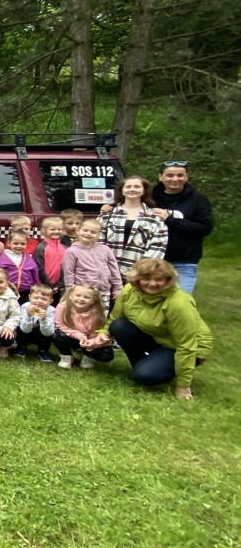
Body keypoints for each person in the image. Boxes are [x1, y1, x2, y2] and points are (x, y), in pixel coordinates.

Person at [94, 258, 212, 399]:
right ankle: (146, 366)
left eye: (159, 279)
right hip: (155, 336)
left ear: (168, 280)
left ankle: (151, 371)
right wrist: (104, 333)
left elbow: (186, 345)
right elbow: (115, 317)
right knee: (118, 326)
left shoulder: (179, 303)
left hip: (179, 346)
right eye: (146, 278)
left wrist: (183, 385)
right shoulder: (129, 290)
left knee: (145, 375)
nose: (152, 283)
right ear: (137, 278)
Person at [151, 160, 214, 294]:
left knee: (181, 300)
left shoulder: (198, 200)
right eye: (170, 175)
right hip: (154, 259)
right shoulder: (150, 199)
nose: (175, 179)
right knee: (152, 301)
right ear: (161, 177)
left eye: (180, 175)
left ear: (186, 177)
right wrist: (108, 208)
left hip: (184, 261)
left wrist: (169, 220)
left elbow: (204, 228)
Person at [99, 175, 169, 279]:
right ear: (122, 191)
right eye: (128, 187)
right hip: (107, 273)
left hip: (138, 274)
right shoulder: (107, 215)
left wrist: (143, 270)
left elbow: (158, 246)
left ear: (144, 191)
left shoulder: (154, 217)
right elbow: (98, 242)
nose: (132, 189)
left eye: (137, 187)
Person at [62, 219, 122, 309]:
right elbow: (68, 273)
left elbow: (114, 269)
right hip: (83, 294)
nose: (88, 233)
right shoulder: (71, 251)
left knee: (102, 316)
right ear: (78, 231)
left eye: (93, 232)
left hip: (103, 293)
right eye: (85, 230)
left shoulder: (105, 249)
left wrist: (118, 288)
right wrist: (70, 291)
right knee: (83, 315)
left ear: (98, 235)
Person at [52, 284, 115, 370]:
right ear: (70, 296)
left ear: (93, 300)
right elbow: (60, 325)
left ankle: (87, 357)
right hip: (71, 336)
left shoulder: (98, 313)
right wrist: (80, 336)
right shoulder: (62, 307)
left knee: (106, 355)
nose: (81, 299)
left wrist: (91, 342)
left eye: (86, 297)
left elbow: (98, 333)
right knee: (57, 334)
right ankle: (66, 357)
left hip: (89, 340)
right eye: (78, 295)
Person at [33, 216, 71, 298]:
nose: (56, 231)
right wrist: (48, 285)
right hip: (44, 287)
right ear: (43, 230)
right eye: (52, 229)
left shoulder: (65, 248)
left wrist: (59, 285)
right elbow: (39, 268)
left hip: (60, 287)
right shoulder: (40, 247)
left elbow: (66, 267)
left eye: (59, 229)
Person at [0, 231, 39, 301]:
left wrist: (36, 288)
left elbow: (35, 274)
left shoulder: (28, 259)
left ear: (27, 244)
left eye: (23, 244)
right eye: (15, 243)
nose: (19, 246)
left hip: (26, 291)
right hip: (7, 290)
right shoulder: (3, 258)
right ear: (9, 243)